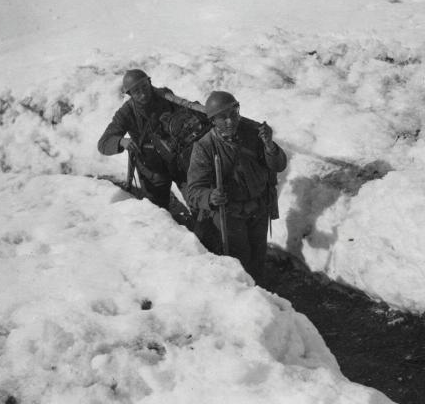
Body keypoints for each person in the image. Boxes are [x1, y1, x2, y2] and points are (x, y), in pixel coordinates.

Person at [186, 91, 287, 285]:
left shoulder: (253, 134)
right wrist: (210, 196)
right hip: (230, 214)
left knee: (258, 256)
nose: (230, 121)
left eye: (233, 114)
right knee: (240, 260)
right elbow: (193, 191)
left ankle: (263, 298)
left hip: (258, 208)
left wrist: (269, 146)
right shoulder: (205, 147)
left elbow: (279, 165)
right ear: (213, 120)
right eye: (222, 117)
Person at [97, 69, 178, 209]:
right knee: (158, 210)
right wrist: (121, 141)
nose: (143, 93)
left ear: (150, 83)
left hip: (177, 158)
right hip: (153, 168)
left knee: (196, 197)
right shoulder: (126, 113)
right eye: (136, 91)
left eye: (145, 87)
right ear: (130, 94)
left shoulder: (165, 96)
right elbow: (103, 143)